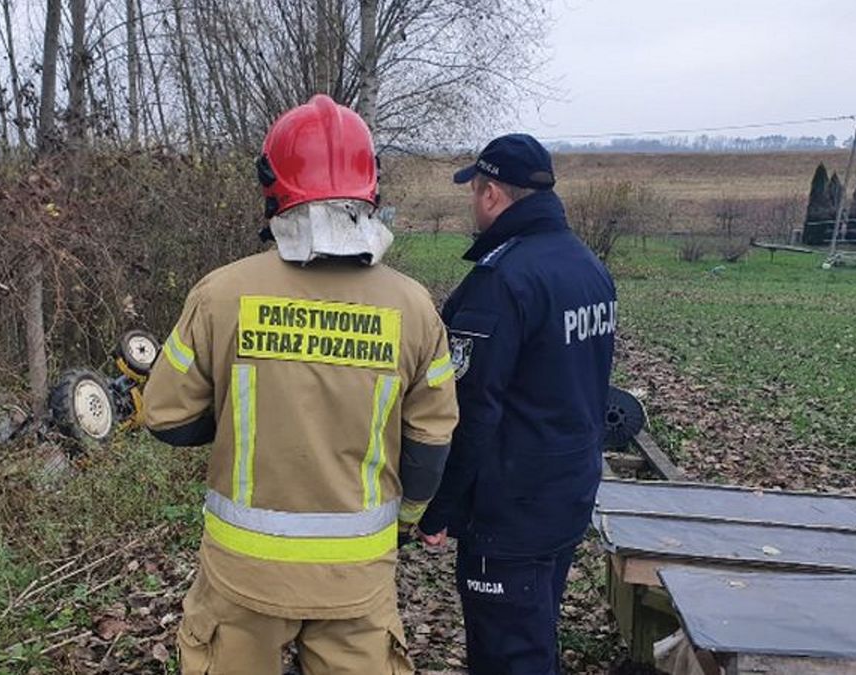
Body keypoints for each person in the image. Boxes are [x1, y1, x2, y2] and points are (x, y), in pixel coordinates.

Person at [143, 95, 459, 675]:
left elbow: (166, 418)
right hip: (357, 580)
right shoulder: (413, 308)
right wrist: (408, 518)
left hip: (242, 576)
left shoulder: (221, 295)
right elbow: (432, 443)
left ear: (273, 187)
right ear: (371, 189)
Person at [417, 134, 616, 674]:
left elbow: (472, 409)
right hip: (567, 492)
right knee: (533, 636)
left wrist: (439, 507)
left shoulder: (502, 280)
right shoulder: (587, 268)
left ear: (491, 195)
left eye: (474, 191)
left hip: (511, 511)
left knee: (509, 657)